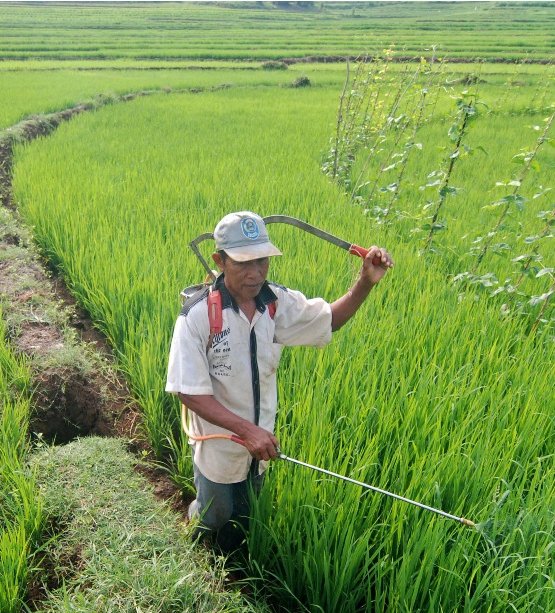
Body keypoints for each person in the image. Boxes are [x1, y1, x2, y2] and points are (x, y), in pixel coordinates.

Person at [165, 211, 393, 551]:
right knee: (215, 512)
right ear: (220, 261)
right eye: (243, 263)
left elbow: (328, 321)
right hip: (220, 444)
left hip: (261, 443)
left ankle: (230, 565)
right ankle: (191, 544)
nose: (256, 272)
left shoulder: (274, 303)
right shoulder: (198, 316)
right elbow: (188, 391)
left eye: (262, 260)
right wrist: (247, 431)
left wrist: (365, 283)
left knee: (245, 515)